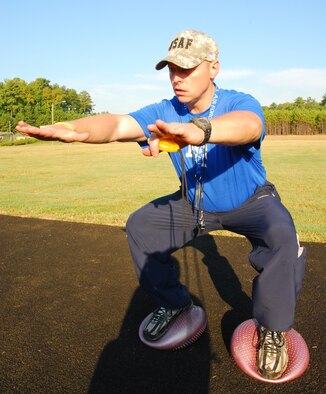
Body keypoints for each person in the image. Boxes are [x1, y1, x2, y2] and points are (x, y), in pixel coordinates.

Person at [16, 30, 306, 380]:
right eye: (171, 69)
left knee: (282, 238)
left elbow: (248, 126)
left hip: (251, 201)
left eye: (187, 69)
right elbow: (117, 124)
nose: (176, 78)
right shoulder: (164, 110)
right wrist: (73, 129)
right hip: (195, 205)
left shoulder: (238, 101)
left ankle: (273, 328)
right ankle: (174, 303)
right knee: (142, 226)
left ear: (213, 68)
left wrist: (199, 131)